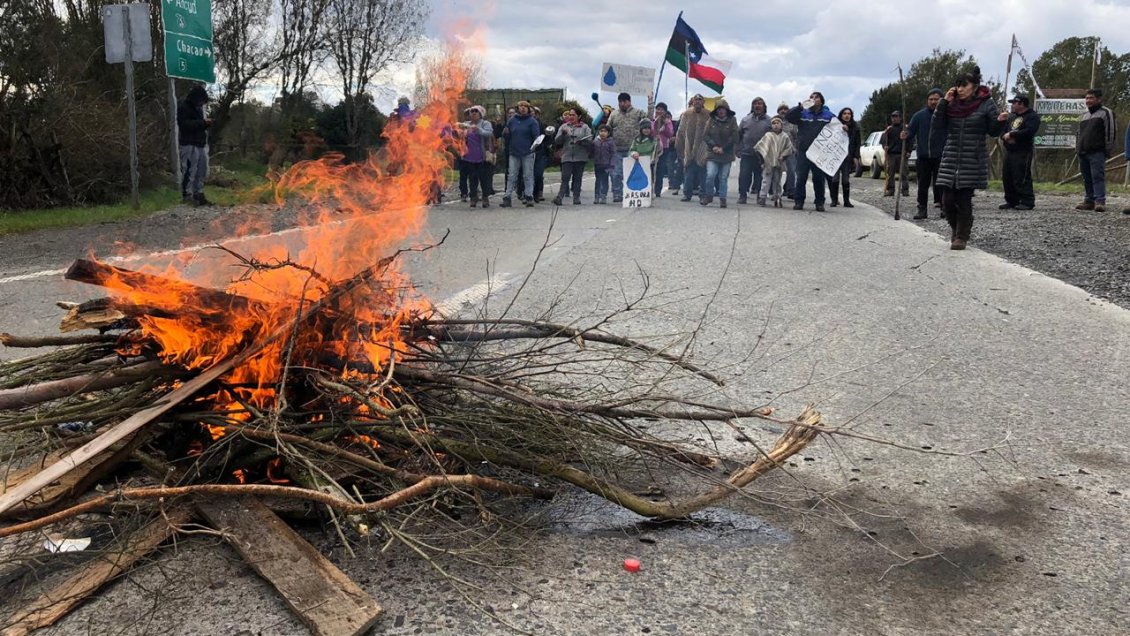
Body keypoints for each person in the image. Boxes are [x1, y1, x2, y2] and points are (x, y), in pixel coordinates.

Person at [934, 66, 1004, 250]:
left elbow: (993, 131)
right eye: (958, 86)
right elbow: (938, 125)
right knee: (947, 200)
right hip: (951, 157)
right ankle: (957, 228)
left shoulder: (986, 104)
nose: (960, 89)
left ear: (974, 87)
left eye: (964, 85)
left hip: (972, 158)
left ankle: (961, 236)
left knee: (964, 199)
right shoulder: (951, 104)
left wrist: (1001, 122)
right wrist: (943, 103)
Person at [785, 92, 835, 211]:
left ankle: (819, 203)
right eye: (811, 97)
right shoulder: (803, 113)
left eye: (816, 97)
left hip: (819, 152)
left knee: (818, 178)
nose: (813, 99)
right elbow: (788, 116)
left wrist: (844, 127)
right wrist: (800, 107)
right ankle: (799, 201)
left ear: (821, 101)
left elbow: (838, 128)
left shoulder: (828, 115)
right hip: (804, 151)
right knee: (801, 177)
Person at [906, 88, 947, 219]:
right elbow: (910, 133)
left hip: (942, 156)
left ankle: (944, 208)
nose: (933, 102)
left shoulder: (947, 115)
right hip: (923, 157)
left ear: (941, 100)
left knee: (941, 183)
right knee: (922, 184)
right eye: (931, 99)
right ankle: (922, 209)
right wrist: (904, 135)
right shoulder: (918, 116)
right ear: (927, 101)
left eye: (936, 99)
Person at [1076, 88, 1116, 212]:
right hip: (1083, 152)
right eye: (1087, 98)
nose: (1088, 100)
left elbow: (1110, 132)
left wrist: (1107, 150)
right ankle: (1089, 201)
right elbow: (1079, 133)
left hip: (1097, 151)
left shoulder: (1106, 113)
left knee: (1097, 176)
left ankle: (1100, 201)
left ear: (1098, 99)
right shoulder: (1084, 115)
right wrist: (1078, 148)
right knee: (1086, 177)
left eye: (1091, 98)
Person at [998, 95, 1041, 210]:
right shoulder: (1012, 117)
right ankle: (1012, 201)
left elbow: (1030, 131)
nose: (1012, 105)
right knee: (1007, 176)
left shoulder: (1032, 116)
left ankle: (1027, 201)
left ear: (1021, 104)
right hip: (1009, 150)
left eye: (1014, 103)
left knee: (1021, 175)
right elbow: (1003, 131)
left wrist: (1013, 135)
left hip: (1023, 150)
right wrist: (1004, 137)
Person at [607, 92, 648, 203]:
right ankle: (617, 194)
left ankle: (634, 194)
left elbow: (649, 120)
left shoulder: (638, 113)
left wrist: (650, 102)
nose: (622, 104)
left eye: (624, 102)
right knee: (616, 174)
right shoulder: (614, 114)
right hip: (617, 149)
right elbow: (608, 129)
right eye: (620, 102)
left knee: (633, 174)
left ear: (629, 102)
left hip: (633, 149)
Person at [177, 84, 213, 206]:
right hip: (188, 143)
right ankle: (187, 195)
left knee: (202, 169)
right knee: (189, 170)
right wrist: (202, 123)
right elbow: (184, 125)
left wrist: (205, 124)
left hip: (200, 143)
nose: (202, 104)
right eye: (201, 101)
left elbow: (198, 124)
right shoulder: (183, 106)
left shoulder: (199, 109)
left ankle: (198, 193)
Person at [500, 101, 540, 208]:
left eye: (525, 106)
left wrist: (533, 148)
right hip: (514, 152)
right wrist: (505, 133)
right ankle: (507, 196)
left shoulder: (532, 122)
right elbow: (506, 136)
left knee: (527, 175)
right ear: (518, 108)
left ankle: (529, 196)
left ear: (528, 108)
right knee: (512, 175)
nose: (522, 108)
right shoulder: (512, 121)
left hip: (528, 152)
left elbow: (536, 137)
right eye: (520, 106)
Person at [700, 99, 739, 208]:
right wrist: (714, 146)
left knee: (723, 177)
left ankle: (723, 198)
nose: (721, 111)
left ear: (726, 110)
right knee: (710, 175)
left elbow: (735, 136)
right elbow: (705, 136)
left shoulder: (732, 120)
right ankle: (709, 196)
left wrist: (724, 148)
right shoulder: (711, 120)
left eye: (723, 109)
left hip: (726, 154)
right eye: (719, 109)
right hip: (713, 153)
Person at [552, 108, 592, 206]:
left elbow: (590, 139)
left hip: (580, 156)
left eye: (573, 115)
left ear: (579, 116)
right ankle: (559, 197)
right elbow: (557, 141)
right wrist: (563, 134)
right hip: (567, 155)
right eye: (570, 115)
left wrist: (581, 141)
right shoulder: (564, 126)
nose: (571, 117)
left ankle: (576, 197)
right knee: (565, 177)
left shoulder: (585, 127)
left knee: (578, 178)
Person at [675, 94, 711, 202]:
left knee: (703, 175)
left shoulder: (708, 115)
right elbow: (681, 132)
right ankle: (687, 194)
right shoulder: (687, 114)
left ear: (703, 102)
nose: (698, 102)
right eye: (696, 100)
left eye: (700, 100)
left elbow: (711, 131)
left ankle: (703, 194)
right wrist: (681, 149)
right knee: (688, 174)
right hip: (688, 147)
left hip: (702, 148)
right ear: (693, 101)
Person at [737, 97, 772, 205]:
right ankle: (743, 195)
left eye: (760, 104)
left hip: (762, 155)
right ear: (752, 106)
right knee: (744, 175)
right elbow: (738, 135)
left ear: (764, 107)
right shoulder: (745, 120)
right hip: (747, 153)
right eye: (755, 104)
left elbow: (772, 137)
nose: (757, 106)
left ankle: (759, 197)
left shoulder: (769, 121)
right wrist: (737, 149)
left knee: (759, 177)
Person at [458, 105, 494, 208]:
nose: (473, 113)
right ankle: (473, 197)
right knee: (472, 178)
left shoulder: (485, 123)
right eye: (471, 112)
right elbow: (459, 135)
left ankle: (485, 197)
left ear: (481, 114)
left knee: (484, 179)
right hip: (469, 156)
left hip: (482, 156)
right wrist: (458, 130)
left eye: (476, 111)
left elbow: (489, 133)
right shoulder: (466, 124)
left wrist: (478, 129)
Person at [753, 116, 795, 207]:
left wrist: (783, 156)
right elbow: (760, 147)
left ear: (781, 125)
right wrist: (762, 161)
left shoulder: (785, 136)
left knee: (777, 181)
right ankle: (762, 197)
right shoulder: (768, 135)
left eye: (777, 123)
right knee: (766, 180)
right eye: (773, 123)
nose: (776, 125)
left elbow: (789, 148)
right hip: (768, 162)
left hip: (779, 163)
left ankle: (778, 197)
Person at [827, 107, 861, 208]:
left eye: (849, 114)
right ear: (841, 115)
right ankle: (834, 200)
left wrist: (856, 157)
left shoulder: (855, 127)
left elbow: (857, 143)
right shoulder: (835, 125)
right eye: (845, 113)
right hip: (836, 156)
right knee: (835, 179)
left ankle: (846, 201)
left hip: (847, 157)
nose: (847, 115)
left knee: (846, 180)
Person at [882, 111, 910, 197]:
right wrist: (885, 146)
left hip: (902, 153)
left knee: (904, 173)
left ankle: (905, 190)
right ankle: (890, 190)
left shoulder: (905, 128)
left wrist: (909, 150)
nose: (894, 118)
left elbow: (910, 140)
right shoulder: (889, 129)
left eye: (896, 116)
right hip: (891, 154)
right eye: (893, 116)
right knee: (890, 173)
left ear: (900, 118)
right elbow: (883, 140)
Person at [652, 103, 676, 197]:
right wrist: (655, 124)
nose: (659, 111)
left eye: (662, 109)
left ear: (665, 111)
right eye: (657, 109)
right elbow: (650, 132)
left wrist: (665, 125)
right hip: (652, 147)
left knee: (660, 169)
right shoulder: (652, 120)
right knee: (651, 169)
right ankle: (649, 189)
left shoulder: (668, 122)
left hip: (663, 148)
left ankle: (658, 191)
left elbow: (670, 134)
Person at [629, 118, 659, 190]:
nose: (646, 130)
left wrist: (659, 142)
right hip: (638, 162)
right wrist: (634, 153)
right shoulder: (636, 140)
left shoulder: (654, 140)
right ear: (641, 129)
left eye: (648, 128)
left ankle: (649, 192)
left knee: (649, 179)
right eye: (644, 128)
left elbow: (657, 151)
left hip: (650, 163)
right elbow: (631, 150)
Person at [777, 103, 799, 199]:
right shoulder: (774, 122)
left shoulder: (793, 124)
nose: (783, 111)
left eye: (785, 109)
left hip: (790, 151)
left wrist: (796, 149)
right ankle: (774, 190)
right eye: (781, 109)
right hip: (777, 151)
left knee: (791, 171)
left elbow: (796, 137)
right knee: (776, 171)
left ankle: (791, 191)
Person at [592, 124, 617, 204]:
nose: (603, 133)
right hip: (597, 164)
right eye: (601, 131)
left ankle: (603, 196)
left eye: (605, 131)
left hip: (607, 164)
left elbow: (613, 153)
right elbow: (592, 151)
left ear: (608, 133)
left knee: (604, 180)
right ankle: (596, 196)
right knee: (598, 180)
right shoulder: (595, 141)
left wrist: (612, 164)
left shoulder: (610, 142)